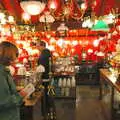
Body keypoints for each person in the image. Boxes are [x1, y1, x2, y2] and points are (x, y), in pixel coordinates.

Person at [0, 41, 23, 120]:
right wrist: (21, 96)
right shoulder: (1, 72)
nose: (16, 58)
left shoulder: (4, 70)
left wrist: (15, 89)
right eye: (15, 55)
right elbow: (3, 101)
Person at [37, 40, 52, 118]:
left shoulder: (44, 54)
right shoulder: (46, 52)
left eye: (38, 45)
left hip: (45, 77)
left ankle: (46, 111)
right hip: (47, 76)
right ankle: (48, 110)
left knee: (45, 94)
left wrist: (38, 75)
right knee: (47, 94)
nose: (37, 47)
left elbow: (41, 66)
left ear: (42, 46)